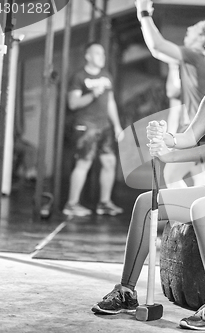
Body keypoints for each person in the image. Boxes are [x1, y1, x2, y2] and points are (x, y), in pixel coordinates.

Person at [91, 12, 205, 331]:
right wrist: (166, 137)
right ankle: (126, 291)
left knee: (201, 209)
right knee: (145, 204)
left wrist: (172, 157)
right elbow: (188, 136)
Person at [135, 0, 205, 188]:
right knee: (200, 181)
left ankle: (184, 217)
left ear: (202, 38)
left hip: (196, 130)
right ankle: (199, 215)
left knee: (172, 175)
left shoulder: (196, 56)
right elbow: (174, 91)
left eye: (190, 32)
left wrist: (143, 13)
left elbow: (157, 47)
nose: (186, 35)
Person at [62, 42, 124, 217]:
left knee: (109, 162)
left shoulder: (106, 76)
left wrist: (117, 125)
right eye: (97, 53)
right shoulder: (79, 77)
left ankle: (104, 203)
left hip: (104, 126)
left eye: (103, 53)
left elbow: (110, 102)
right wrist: (92, 94)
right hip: (86, 126)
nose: (101, 57)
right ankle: (71, 204)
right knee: (84, 163)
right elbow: (72, 104)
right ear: (88, 56)